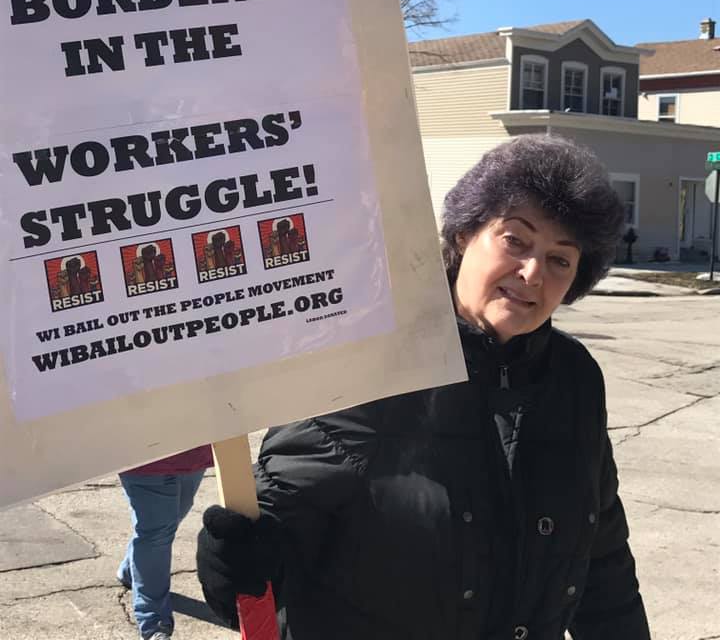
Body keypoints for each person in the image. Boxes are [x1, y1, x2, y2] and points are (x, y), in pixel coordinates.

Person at [196, 135, 651, 640]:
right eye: (515, 240)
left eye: (560, 260)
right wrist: (243, 559)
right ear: (465, 234)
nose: (532, 273)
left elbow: (602, 557)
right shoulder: (368, 360)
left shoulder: (574, 377)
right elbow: (281, 517)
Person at [118, 445, 213, 640]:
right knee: (156, 534)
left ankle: (131, 570)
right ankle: (154, 623)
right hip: (144, 457)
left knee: (172, 517)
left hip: (192, 451)